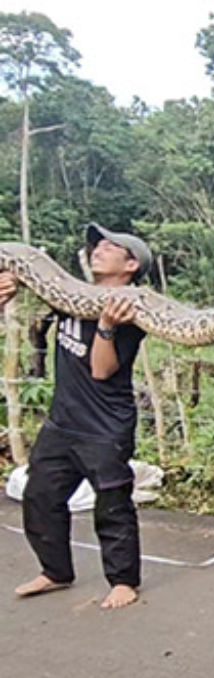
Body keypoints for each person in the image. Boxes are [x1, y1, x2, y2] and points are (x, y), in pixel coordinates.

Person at [2, 223, 151, 610]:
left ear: (131, 264)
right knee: (40, 496)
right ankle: (55, 571)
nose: (97, 249)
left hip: (105, 427)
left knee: (112, 504)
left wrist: (105, 327)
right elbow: (28, 306)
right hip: (62, 420)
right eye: (96, 244)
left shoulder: (132, 310)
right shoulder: (67, 295)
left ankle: (123, 581)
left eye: (109, 246)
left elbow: (102, 371)